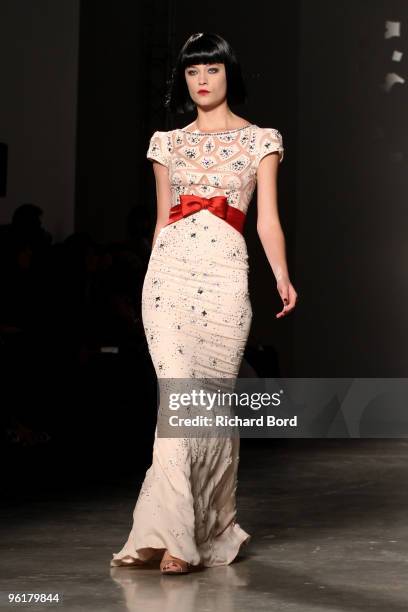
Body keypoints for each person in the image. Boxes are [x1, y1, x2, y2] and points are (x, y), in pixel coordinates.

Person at [110, 32, 297, 575]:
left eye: (211, 70)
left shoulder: (262, 140)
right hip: (167, 279)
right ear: (184, 80)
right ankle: (171, 538)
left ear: (227, 75)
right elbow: (163, 218)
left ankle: (206, 526)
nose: (201, 80)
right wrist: (150, 279)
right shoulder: (165, 143)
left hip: (224, 280)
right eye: (192, 72)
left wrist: (281, 274)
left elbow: (267, 219)